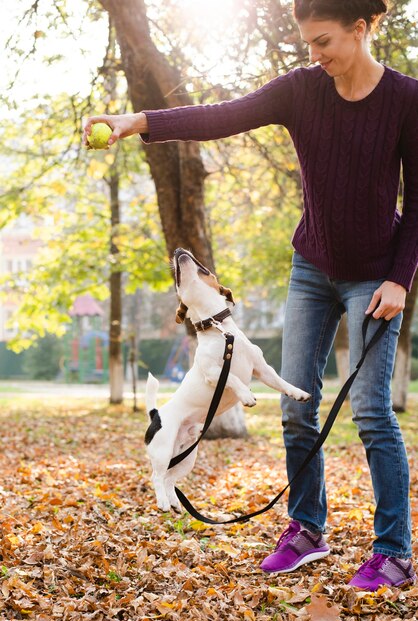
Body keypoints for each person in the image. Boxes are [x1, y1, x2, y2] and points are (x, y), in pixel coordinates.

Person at [83, 0, 417, 591]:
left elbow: (417, 202)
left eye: (324, 42)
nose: (314, 57)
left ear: (360, 30)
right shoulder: (300, 90)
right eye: (307, 45)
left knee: (371, 412)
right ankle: (307, 530)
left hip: (375, 274)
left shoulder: (407, 101)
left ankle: (393, 551)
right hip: (312, 265)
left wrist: (400, 276)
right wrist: (138, 122)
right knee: (295, 405)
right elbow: (222, 116)